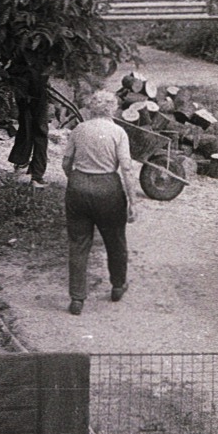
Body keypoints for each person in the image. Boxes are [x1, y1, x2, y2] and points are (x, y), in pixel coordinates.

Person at [61, 90, 138, 315]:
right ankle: (117, 285)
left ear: (91, 108)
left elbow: (66, 163)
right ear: (112, 109)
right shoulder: (118, 132)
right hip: (108, 190)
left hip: (78, 187)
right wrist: (133, 201)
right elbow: (126, 168)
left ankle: (77, 298)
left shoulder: (79, 129)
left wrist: (76, 180)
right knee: (115, 240)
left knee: (78, 243)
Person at [8, 69, 50, 186]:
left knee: (27, 126)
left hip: (27, 79)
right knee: (36, 129)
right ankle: (34, 174)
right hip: (29, 80)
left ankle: (25, 166)